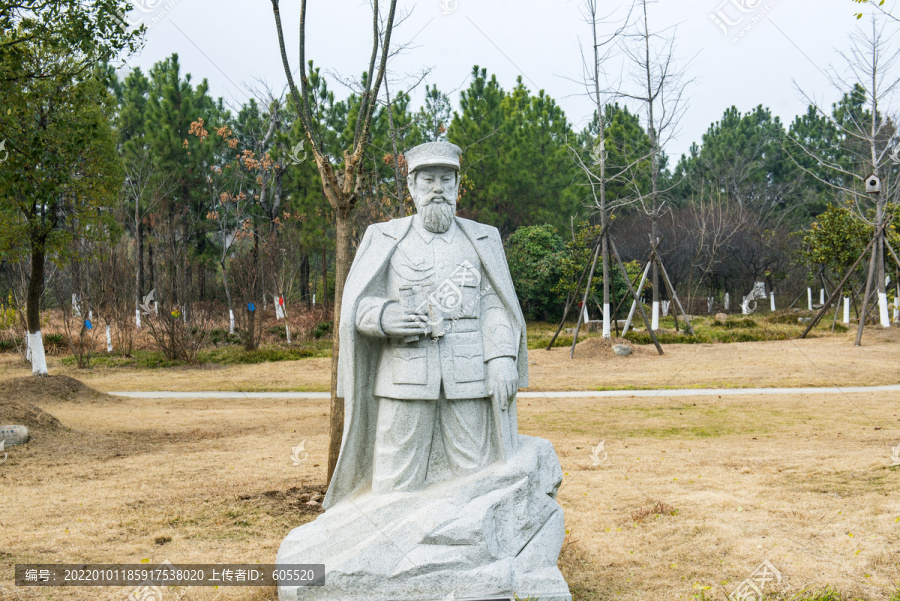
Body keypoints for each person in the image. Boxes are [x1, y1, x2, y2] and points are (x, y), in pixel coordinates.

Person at [322, 141, 529, 509]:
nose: (438, 189)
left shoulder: (481, 239)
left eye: (446, 180)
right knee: (392, 486)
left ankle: (468, 560)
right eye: (429, 180)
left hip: (469, 381)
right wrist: (385, 317)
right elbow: (357, 306)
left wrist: (501, 357)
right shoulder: (385, 238)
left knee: (476, 483)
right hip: (404, 378)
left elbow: (494, 302)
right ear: (413, 188)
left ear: (456, 186)